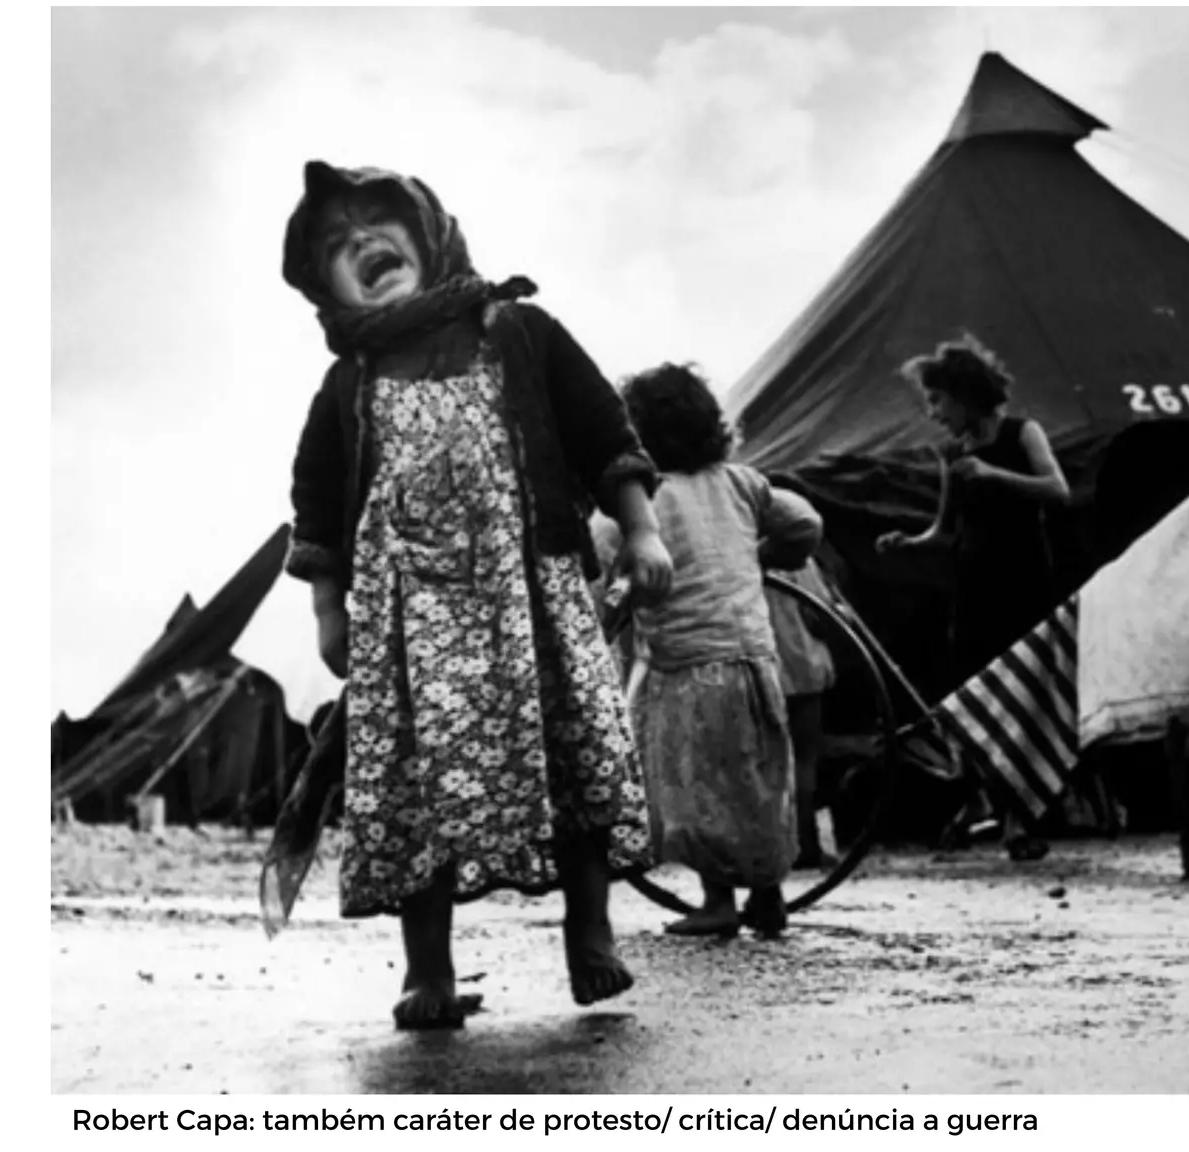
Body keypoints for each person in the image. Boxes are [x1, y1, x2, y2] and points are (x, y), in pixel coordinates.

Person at [279, 161, 674, 1030]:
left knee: (569, 757)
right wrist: (327, 606)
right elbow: (315, 499)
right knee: (420, 787)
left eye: (377, 224)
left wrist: (639, 528)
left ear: (429, 232)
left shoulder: (519, 332)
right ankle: (430, 971)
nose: (361, 245)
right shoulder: (351, 383)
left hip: (527, 592)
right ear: (322, 286)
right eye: (337, 245)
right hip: (410, 621)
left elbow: (601, 426)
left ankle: (592, 934)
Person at [607, 363, 824, 938]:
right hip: (755, 662)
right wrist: (763, 554)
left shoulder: (641, 503)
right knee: (755, 780)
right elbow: (806, 520)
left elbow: (602, 560)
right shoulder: (742, 484)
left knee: (698, 790)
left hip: (686, 670)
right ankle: (769, 895)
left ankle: (718, 900)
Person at [875, 335, 1069, 861]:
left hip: (1026, 584)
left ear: (963, 396)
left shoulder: (1020, 433)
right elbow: (944, 531)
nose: (934, 414)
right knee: (977, 698)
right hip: (976, 588)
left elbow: (1058, 489)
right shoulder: (955, 457)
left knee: (1026, 698)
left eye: (938, 401)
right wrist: (906, 542)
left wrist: (995, 475)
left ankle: (1020, 819)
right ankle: (994, 808)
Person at [766, 559, 840, 870]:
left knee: (768, 762)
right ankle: (804, 842)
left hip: (762, 670)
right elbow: (819, 615)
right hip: (802, 669)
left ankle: (774, 844)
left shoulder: (734, 552)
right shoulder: (797, 558)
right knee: (804, 760)